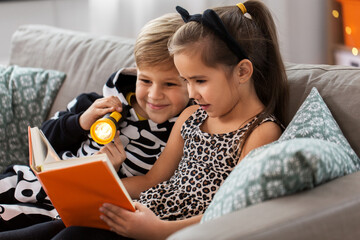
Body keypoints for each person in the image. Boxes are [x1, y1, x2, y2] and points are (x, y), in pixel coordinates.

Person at [0, 1, 289, 239]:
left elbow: (233, 210)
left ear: (242, 72)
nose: (192, 93)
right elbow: (152, 179)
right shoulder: (191, 116)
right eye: (186, 81)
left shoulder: (261, 132)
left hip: (159, 229)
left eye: (199, 80)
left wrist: (157, 231)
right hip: (133, 213)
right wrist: (95, 188)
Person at [0, 12, 189, 232]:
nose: (154, 95)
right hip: (35, 181)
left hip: (73, 207)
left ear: (191, 82)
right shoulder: (97, 104)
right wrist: (80, 122)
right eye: (145, 80)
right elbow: (43, 139)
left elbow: (155, 188)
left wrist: (105, 175)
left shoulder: (183, 133)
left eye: (169, 84)